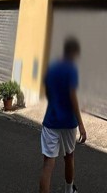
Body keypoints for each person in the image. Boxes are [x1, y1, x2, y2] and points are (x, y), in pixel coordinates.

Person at [39, 37, 86, 193]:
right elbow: (72, 96)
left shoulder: (52, 68)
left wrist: (55, 104)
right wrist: (81, 124)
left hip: (51, 120)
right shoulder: (71, 69)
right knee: (69, 157)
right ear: (72, 52)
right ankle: (69, 190)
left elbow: (47, 91)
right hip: (68, 122)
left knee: (48, 164)